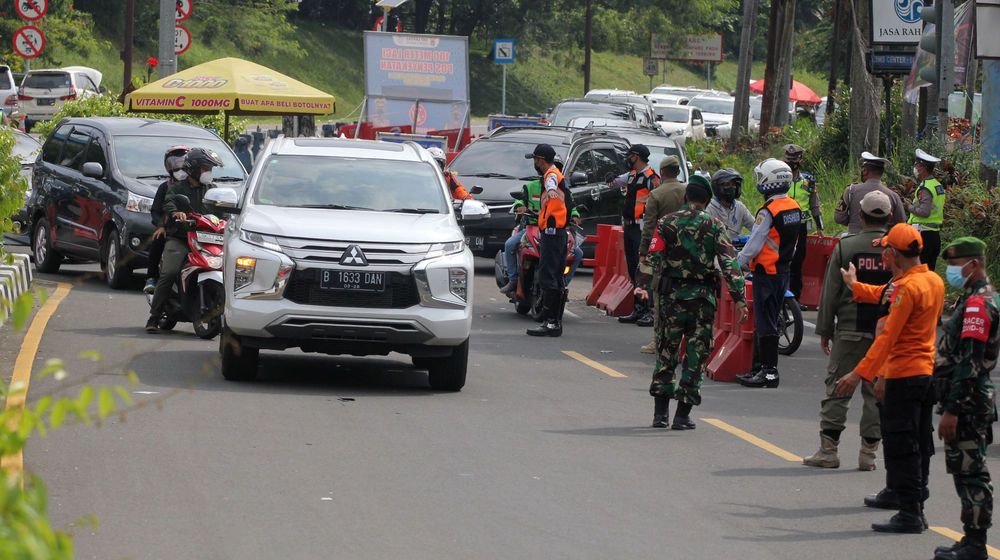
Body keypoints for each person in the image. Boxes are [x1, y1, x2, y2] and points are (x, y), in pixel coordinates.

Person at [835, 223, 944, 534]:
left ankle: (910, 512)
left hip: (903, 374)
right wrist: (855, 285)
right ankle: (909, 496)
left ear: (894, 254)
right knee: (918, 440)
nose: (883, 256)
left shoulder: (907, 288)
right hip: (924, 372)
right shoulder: (931, 281)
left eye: (886, 251)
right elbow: (884, 295)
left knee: (902, 444)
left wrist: (859, 373)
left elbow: (887, 337)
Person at [634, 177, 747, 429]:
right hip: (702, 302)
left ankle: (660, 415)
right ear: (707, 201)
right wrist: (740, 300)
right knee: (696, 357)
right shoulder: (715, 225)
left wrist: (641, 285)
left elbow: (652, 258)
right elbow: (730, 265)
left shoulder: (666, 222)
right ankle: (682, 416)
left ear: (686, 197)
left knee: (666, 352)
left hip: (671, 300)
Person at [804, 191, 894, 470]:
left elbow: (830, 291)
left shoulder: (846, 246)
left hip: (849, 330)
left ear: (860, 216)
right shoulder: (897, 249)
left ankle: (828, 451)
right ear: (890, 217)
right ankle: (868, 455)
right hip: (885, 333)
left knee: (838, 388)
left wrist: (824, 330)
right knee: (876, 393)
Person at [930, 237, 997, 560]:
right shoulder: (972, 297)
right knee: (963, 470)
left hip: (968, 402)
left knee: (972, 473)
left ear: (973, 264)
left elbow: (970, 362)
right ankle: (969, 537)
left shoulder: (978, 304)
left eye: (955, 265)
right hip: (966, 399)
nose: (951, 271)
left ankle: (976, 544)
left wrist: (953, 410)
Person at [736, 159, 800, 389]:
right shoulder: (793, 206)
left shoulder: (769, 210)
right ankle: (759, 367)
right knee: (769, 320)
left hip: (766, 272)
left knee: (765, 322)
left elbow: (754, 244)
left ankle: (769, 372)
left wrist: (737, 262)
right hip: (783, 270)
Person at [145, 148, 224, 332]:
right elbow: (168, 202)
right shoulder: (177, 188)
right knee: (169, 272)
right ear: (194, 169)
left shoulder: (212, 190)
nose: (208, 172)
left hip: (208, 239)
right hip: (181, 238)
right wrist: (176, 213)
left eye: (210, 169)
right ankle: (154, 316)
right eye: (205, 168)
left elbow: (223, 210)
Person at [500, 160, 584, 293]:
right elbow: (519, 200)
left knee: (578, 253)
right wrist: (520, 206)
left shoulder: (563, 188)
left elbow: (571, 207)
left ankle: (563, 286)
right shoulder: (530, 186)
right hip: (532, 228)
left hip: (557, 230)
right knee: (510, 245)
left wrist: (575, 216)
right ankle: (513, 280)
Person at [636, 155, 687, 354]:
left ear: (662, 173)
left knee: (660, 297)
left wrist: (644, 253)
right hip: (686, 252)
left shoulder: (656, 194)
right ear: (678, 172)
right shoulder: (687, 191)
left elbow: (649, 226)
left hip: (663, 253)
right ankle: (682, 342)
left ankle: (659, 341)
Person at [607, 144, 659, 326]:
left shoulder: (651, 177)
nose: (627, 159)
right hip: (629, 227)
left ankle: (649, 311)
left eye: (629, 155)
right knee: (632, 270)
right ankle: (638, 309)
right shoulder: (631, 176)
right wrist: (610, 177)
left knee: (643, 269)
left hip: (641, 228)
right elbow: (614, 182)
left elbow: (656, 202)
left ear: (636, 156)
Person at [525, 143, 569, 337]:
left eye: (535, 159)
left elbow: (551, 184)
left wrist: (550, 190)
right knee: (556, 276)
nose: (534, 163)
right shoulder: (558, 175)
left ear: (541, 160)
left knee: (548, 277)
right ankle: (554, 323)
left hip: (552, 233)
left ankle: (551, 322)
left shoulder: (551, 175)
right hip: (558, 233)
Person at [144, 145, 190, 294]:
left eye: (183, 163)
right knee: (157, 240)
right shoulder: (165, 187)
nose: (180, 168)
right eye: (175, 164)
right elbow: (156, 211)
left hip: (191, 229)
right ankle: (151, 277)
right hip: (169, 229)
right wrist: (161, 226)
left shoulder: (196, 186)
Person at [785, 144, 824, 303]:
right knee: (782, 260)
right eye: (789, 159)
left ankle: (795, 299)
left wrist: (820, 226)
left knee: (797, 262)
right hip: (783, 225)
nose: (791, 162)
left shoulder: (808, 181)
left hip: (801, 227)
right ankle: (782, 297)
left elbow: (815, 204)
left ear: (800, 160)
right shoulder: (780, 179)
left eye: (794, 159)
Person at [834, 151, 907, 235]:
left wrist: (854, 222)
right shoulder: (893, 196)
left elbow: (839, 218)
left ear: (865, 171)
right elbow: (901, 224)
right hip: (882, 241)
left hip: (854, 238)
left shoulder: (851, 191)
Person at [905, 148, 945, 272]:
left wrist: (909, 206)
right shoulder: (937, 185)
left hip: (924, 234)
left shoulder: (926, 187)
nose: (915, 168)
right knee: (929, 272)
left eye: (916, 165)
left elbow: (924, 212)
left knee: (918, 271)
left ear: (922, 168)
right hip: (934, 234)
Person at [706, 168, 755, 238]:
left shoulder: (740, 207)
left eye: (733, 185)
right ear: (718, 188)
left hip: (735, 244)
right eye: (727, 185)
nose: (731, 188)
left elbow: (756, 227)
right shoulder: (710, 209)